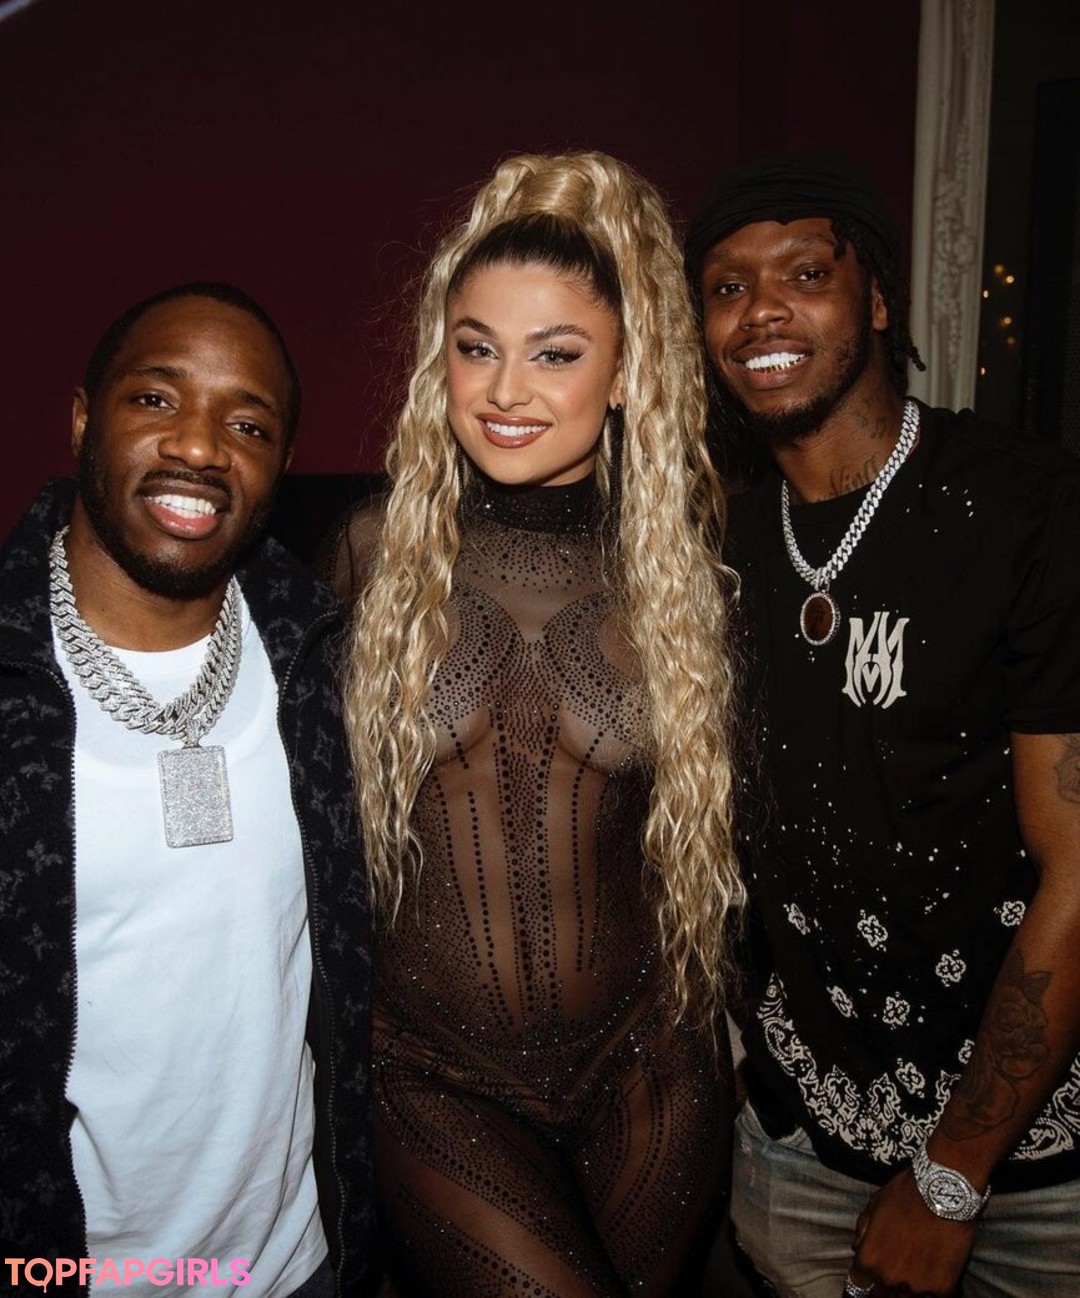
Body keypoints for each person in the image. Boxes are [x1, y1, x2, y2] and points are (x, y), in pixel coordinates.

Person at [328, 150, 745, 1298]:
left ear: (624, 373)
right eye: (477, 348)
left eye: (555, 353)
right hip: (433, 1073)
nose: (506, 389)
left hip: (649, 1067)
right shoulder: (369, 558)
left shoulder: (687, 584)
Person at [684, 154, 1080, 1298]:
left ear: (877, 302)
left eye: (805, 273)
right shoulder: (714, 545)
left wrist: (952, 1174)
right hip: (799, 1144)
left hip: (1030, 1168)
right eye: (727, 288)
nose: (762, 310)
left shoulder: (1026, 506)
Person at [0, 283, 373, 1297]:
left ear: (281, 465)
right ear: (84, 419)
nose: (200, 447)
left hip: (299, 1266)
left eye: (247, 424)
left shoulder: (323, 665)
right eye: (156, 399)